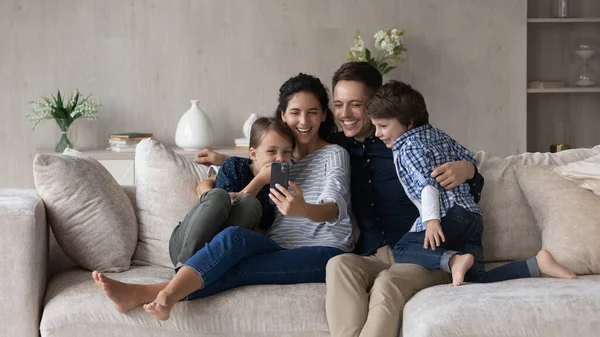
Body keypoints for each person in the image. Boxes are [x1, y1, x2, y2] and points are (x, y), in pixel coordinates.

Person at [195, 63, 483, 337]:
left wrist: (468, 169)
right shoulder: (338, 147)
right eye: (338, 104)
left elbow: (462, 186)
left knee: (387, 284)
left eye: (356, 105)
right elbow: (275, 154)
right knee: (339, 266)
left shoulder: (406, 143)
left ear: (375, 105)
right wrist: (225, 163)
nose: (345, 113)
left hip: (422, 250)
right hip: (372, 254)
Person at [92, 73, 354, 321]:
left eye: (312, 112)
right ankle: (153, 293)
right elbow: (252, 166)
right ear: (283, 116)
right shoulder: (283, 157)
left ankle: (153, 294)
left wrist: (304, 209)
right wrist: (221, 163)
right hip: (277, 246)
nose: (304, 121)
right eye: (295, 113)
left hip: (324, 252)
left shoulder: (334, 155)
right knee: (232, 237)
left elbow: (333, 208)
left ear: (323, 116)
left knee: (235, 268)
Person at [366, 80, 577, 288]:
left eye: (383, 126)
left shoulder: (408, 147)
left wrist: (431, 222)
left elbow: (426, 186)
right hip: (472, 217)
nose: (377, 133)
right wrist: (466, 168)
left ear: (409, 122)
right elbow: (468, 157)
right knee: (478, 278)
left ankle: (453, 260)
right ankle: (537, 264)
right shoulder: (436, 135)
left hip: (448, 216)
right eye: (375, 126)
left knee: (402, 249)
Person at [168, 117, 294, 267]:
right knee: (222, 196)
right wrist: (260, 180)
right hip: (184, 244)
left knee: (251, 205)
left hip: (217, 256)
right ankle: (183, 267)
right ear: (253, 154)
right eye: (271, 151)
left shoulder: (279, 186)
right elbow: (223, 203)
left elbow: (259, 229)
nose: (280, 158)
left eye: (287, 151)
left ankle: (207, 268)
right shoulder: (234, 166)